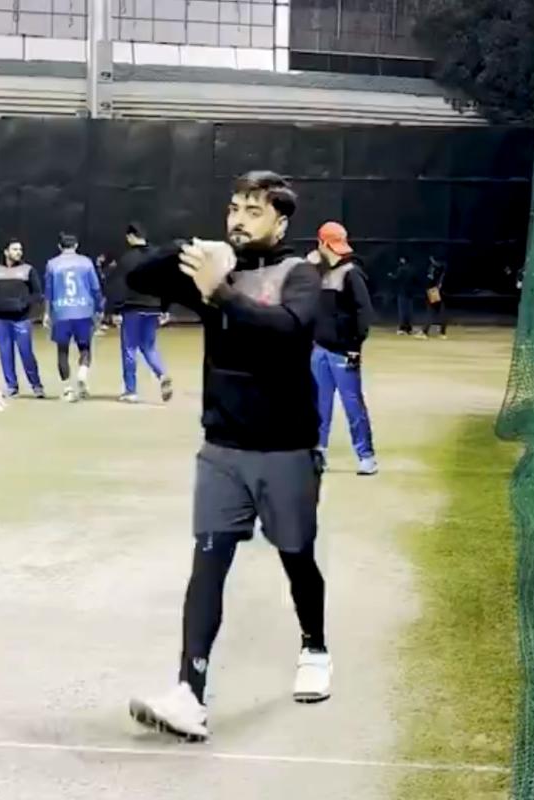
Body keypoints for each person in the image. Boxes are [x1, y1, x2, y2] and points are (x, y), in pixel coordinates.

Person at [124, 170, 331, 742]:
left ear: (281, 221)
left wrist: (223, 293)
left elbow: (287, 333)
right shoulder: (218, 266)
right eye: (234, 208)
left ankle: (314, 645)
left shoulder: (301, 276)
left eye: (254, 211)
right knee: (207, 565)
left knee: (296, 557)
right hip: (222, 448)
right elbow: (136, 274)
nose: (240, 219)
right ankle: (189, 693)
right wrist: (196, 252)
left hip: (285, 449)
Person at [308, 222, 378, 476]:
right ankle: (318, 453)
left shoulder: (351, 273)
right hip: (319, 350)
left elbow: (364, 312)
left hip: (343, 351)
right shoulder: (316, 272)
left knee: (353, 405)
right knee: (318, 405)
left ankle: (366, 456)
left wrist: (354, 346)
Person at [108, 222, 173, 403]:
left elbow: (118, 286)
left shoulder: (126, 259)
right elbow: (167, 284)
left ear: (130, 237)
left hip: (132, 308)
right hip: (153, 308)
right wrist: (165, 309)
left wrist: (115, 310)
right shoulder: (158, 256)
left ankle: (131, 390)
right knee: (149, 347)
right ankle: (162, 375)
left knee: (129, 348)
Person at [43, 233, 102, 402]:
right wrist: (99, 308)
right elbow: (96, 288)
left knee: (62, 351)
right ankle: (82, 373)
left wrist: (47, 313)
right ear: (76, 246)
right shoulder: (86, 262)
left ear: (60, 247)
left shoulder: (52, 264)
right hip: (83, 311)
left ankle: (67, 389)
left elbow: (48, 291)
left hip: (61, 312)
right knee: (85, 348)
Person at [0, 238, 46, 399]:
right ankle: (11, 387)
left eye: (20, 249)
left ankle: (36, 386)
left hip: (21, 319)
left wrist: (24, 304)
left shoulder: (28, 270)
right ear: (6, 252)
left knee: (26, 353)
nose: (18, 252)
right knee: (5, 354)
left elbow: (37, 293)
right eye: (14, 249)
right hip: (1, 320)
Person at [420, 256, 448, 339]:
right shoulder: (442, 269)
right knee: (441, 312)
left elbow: (431, 281)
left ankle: (424, 332)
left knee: (431, 311)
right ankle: (442, 333)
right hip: (440, 292)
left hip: (434, 291)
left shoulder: (435, 269)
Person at [389, 256, 418, 335]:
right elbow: (416, 281)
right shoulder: (412, 269)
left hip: (402, 292)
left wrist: (391, 275)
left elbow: (396, 278)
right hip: (410, 293)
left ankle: (402, 328)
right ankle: (409, 329)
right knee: (409, 311)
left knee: (402, 311)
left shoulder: (401, 269)